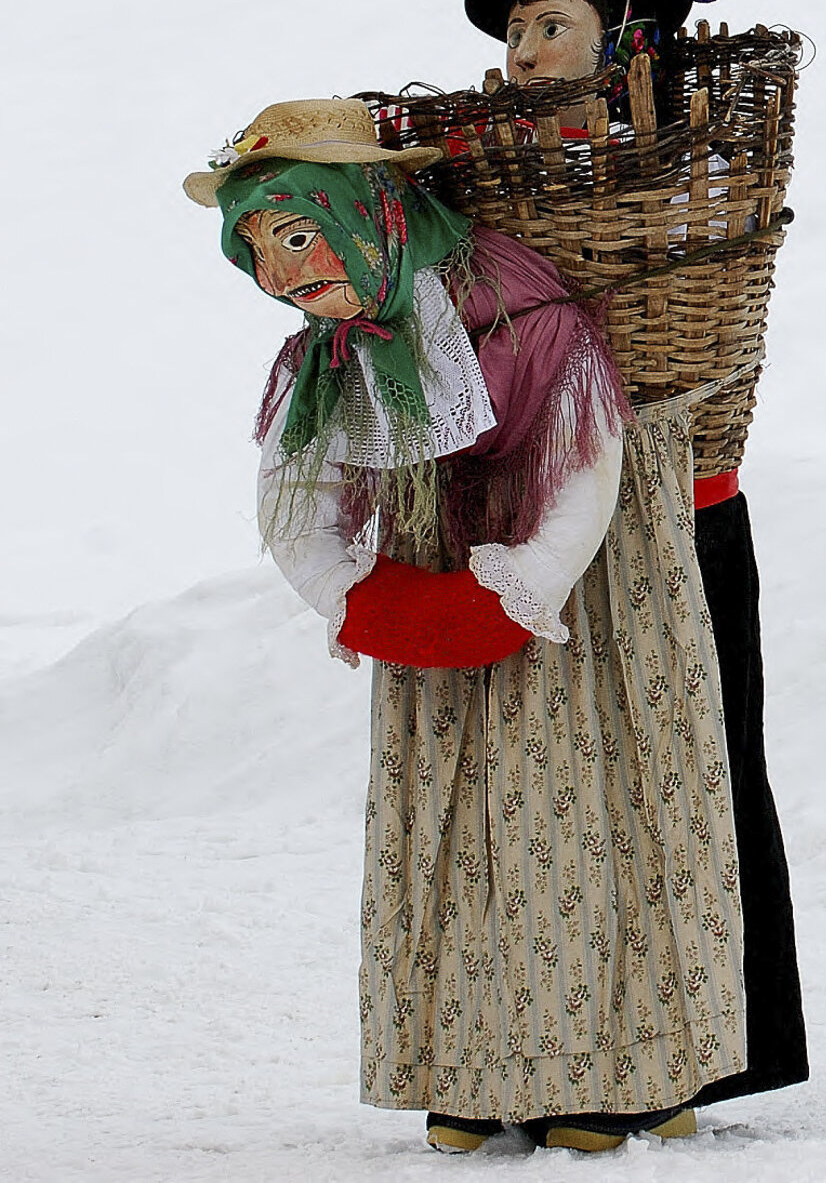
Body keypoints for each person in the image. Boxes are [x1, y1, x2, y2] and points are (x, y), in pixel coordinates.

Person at [186, 98, 748, 1154]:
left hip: (577, 600)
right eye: (256, 248)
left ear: (368, 212)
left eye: (295, 234)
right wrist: (358, 591)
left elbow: (584, 454)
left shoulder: (520, 310)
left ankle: (616, 1068)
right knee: (454, 833)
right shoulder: (328, 351)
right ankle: (472, 1067)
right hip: (431, 579)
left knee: (586, 808)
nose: (279, 270)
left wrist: (528, 579)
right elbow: (303, 484)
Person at [463, 0, 810, 1111]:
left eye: (551, 22)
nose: (521, 50)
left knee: (696, 768)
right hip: (542, 514)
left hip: (682, 501)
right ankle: (533, 1042)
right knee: (551, 786)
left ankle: (702, 1042)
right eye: (513, 30)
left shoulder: (687, 165)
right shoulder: (487, 182)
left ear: (629, 38)